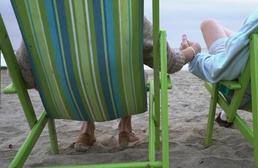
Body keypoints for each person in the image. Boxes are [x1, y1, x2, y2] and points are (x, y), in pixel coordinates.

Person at [15, 17, 201, 151]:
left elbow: (26, 76)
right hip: (121, 92)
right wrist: (193, 49)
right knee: (124, 62)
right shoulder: (125, 11)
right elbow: (168, 63)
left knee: (81, 65)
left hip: (70, 98)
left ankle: (86, 129)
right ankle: (125, 130)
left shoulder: (42, 14)